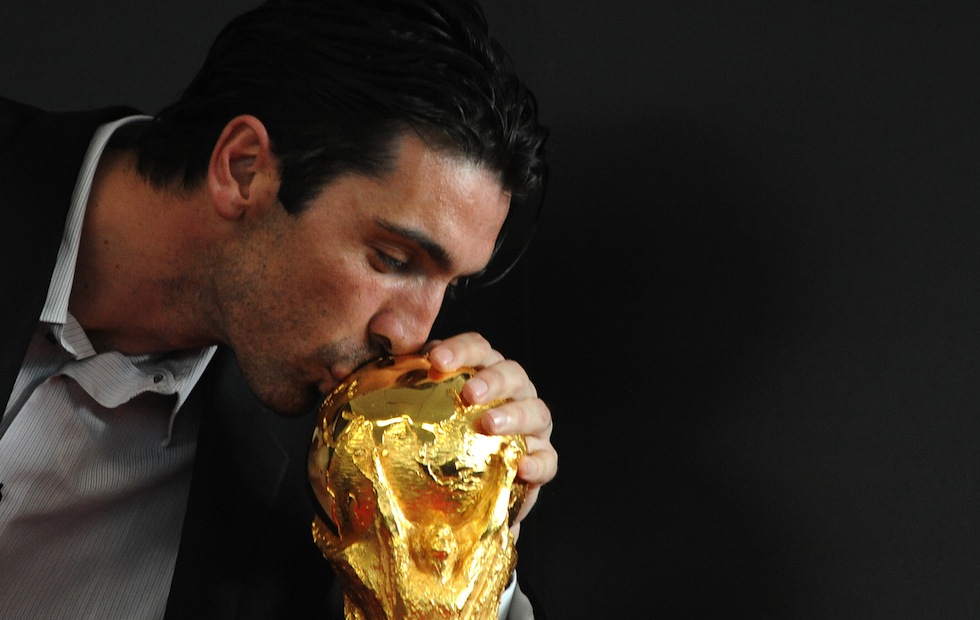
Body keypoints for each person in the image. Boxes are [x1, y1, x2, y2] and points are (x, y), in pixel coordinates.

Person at [0, 0, 557, 618]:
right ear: (243, 169)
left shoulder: (341, 481)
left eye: (448, 287)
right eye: (393, 259)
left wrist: (466, 526)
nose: (410, 337)